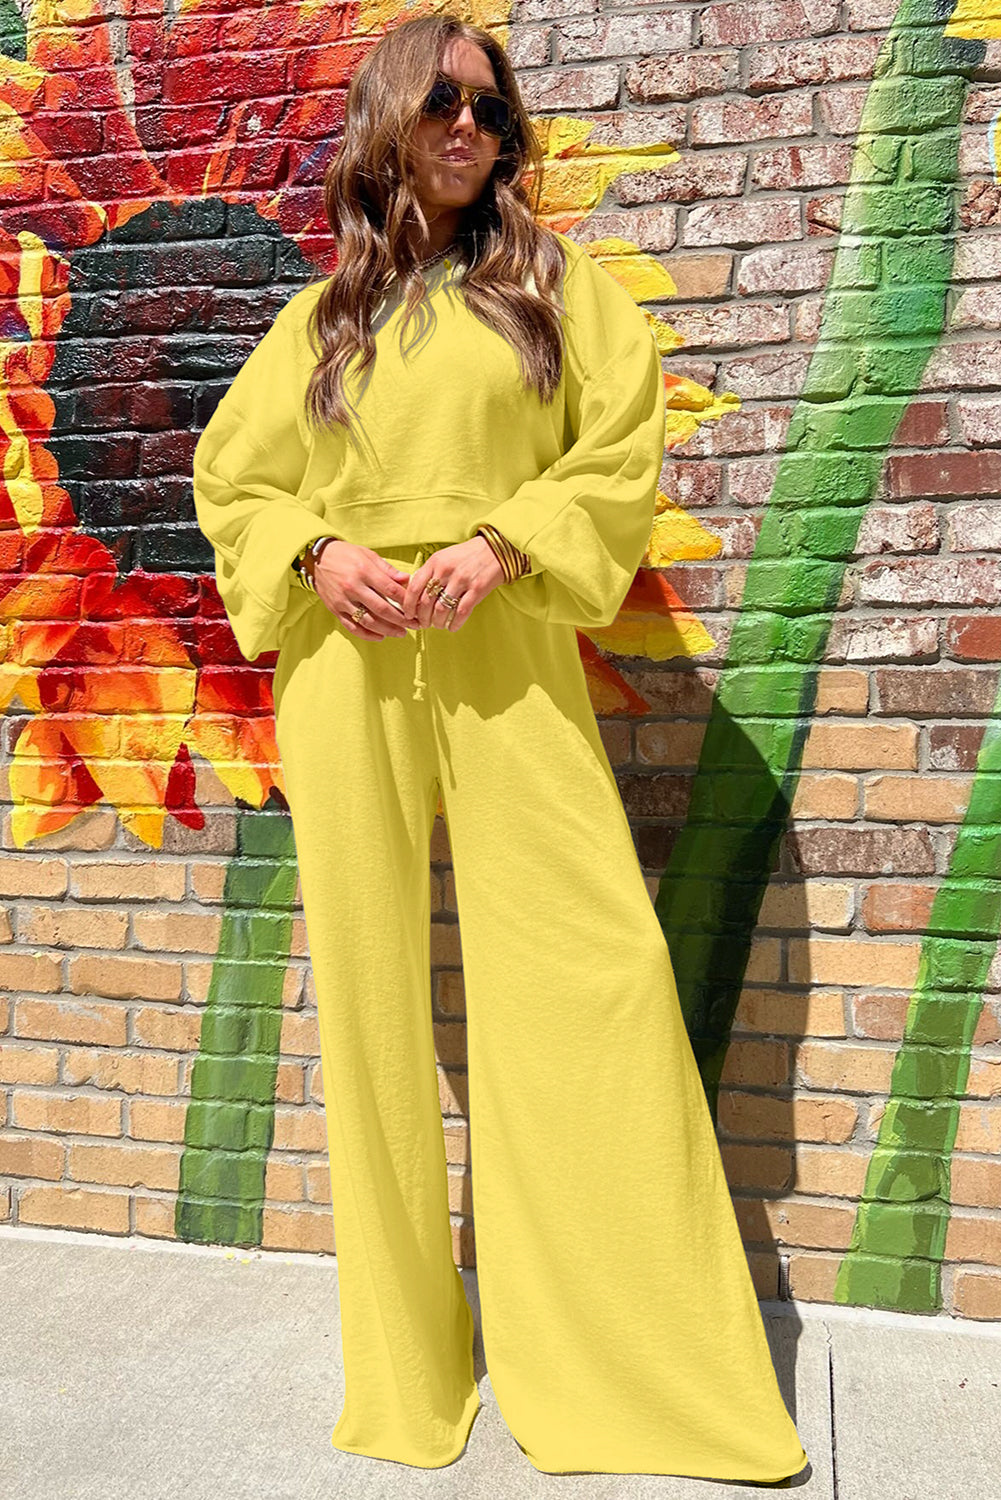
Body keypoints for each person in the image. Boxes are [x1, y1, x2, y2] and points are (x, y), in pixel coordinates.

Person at [192, 12, 810, 1485]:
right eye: (442, 102)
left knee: (589, 972)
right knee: (369, 1003)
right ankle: (406, 1373)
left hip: (502, 639)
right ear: (389, 120)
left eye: (490, 105)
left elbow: (616, 452)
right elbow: (236, 477)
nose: (471, 125)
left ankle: (622, 1360)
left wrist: (507, 540)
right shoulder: (326, 316)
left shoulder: (550, 287)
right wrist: (317, 553)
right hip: (348, 664)